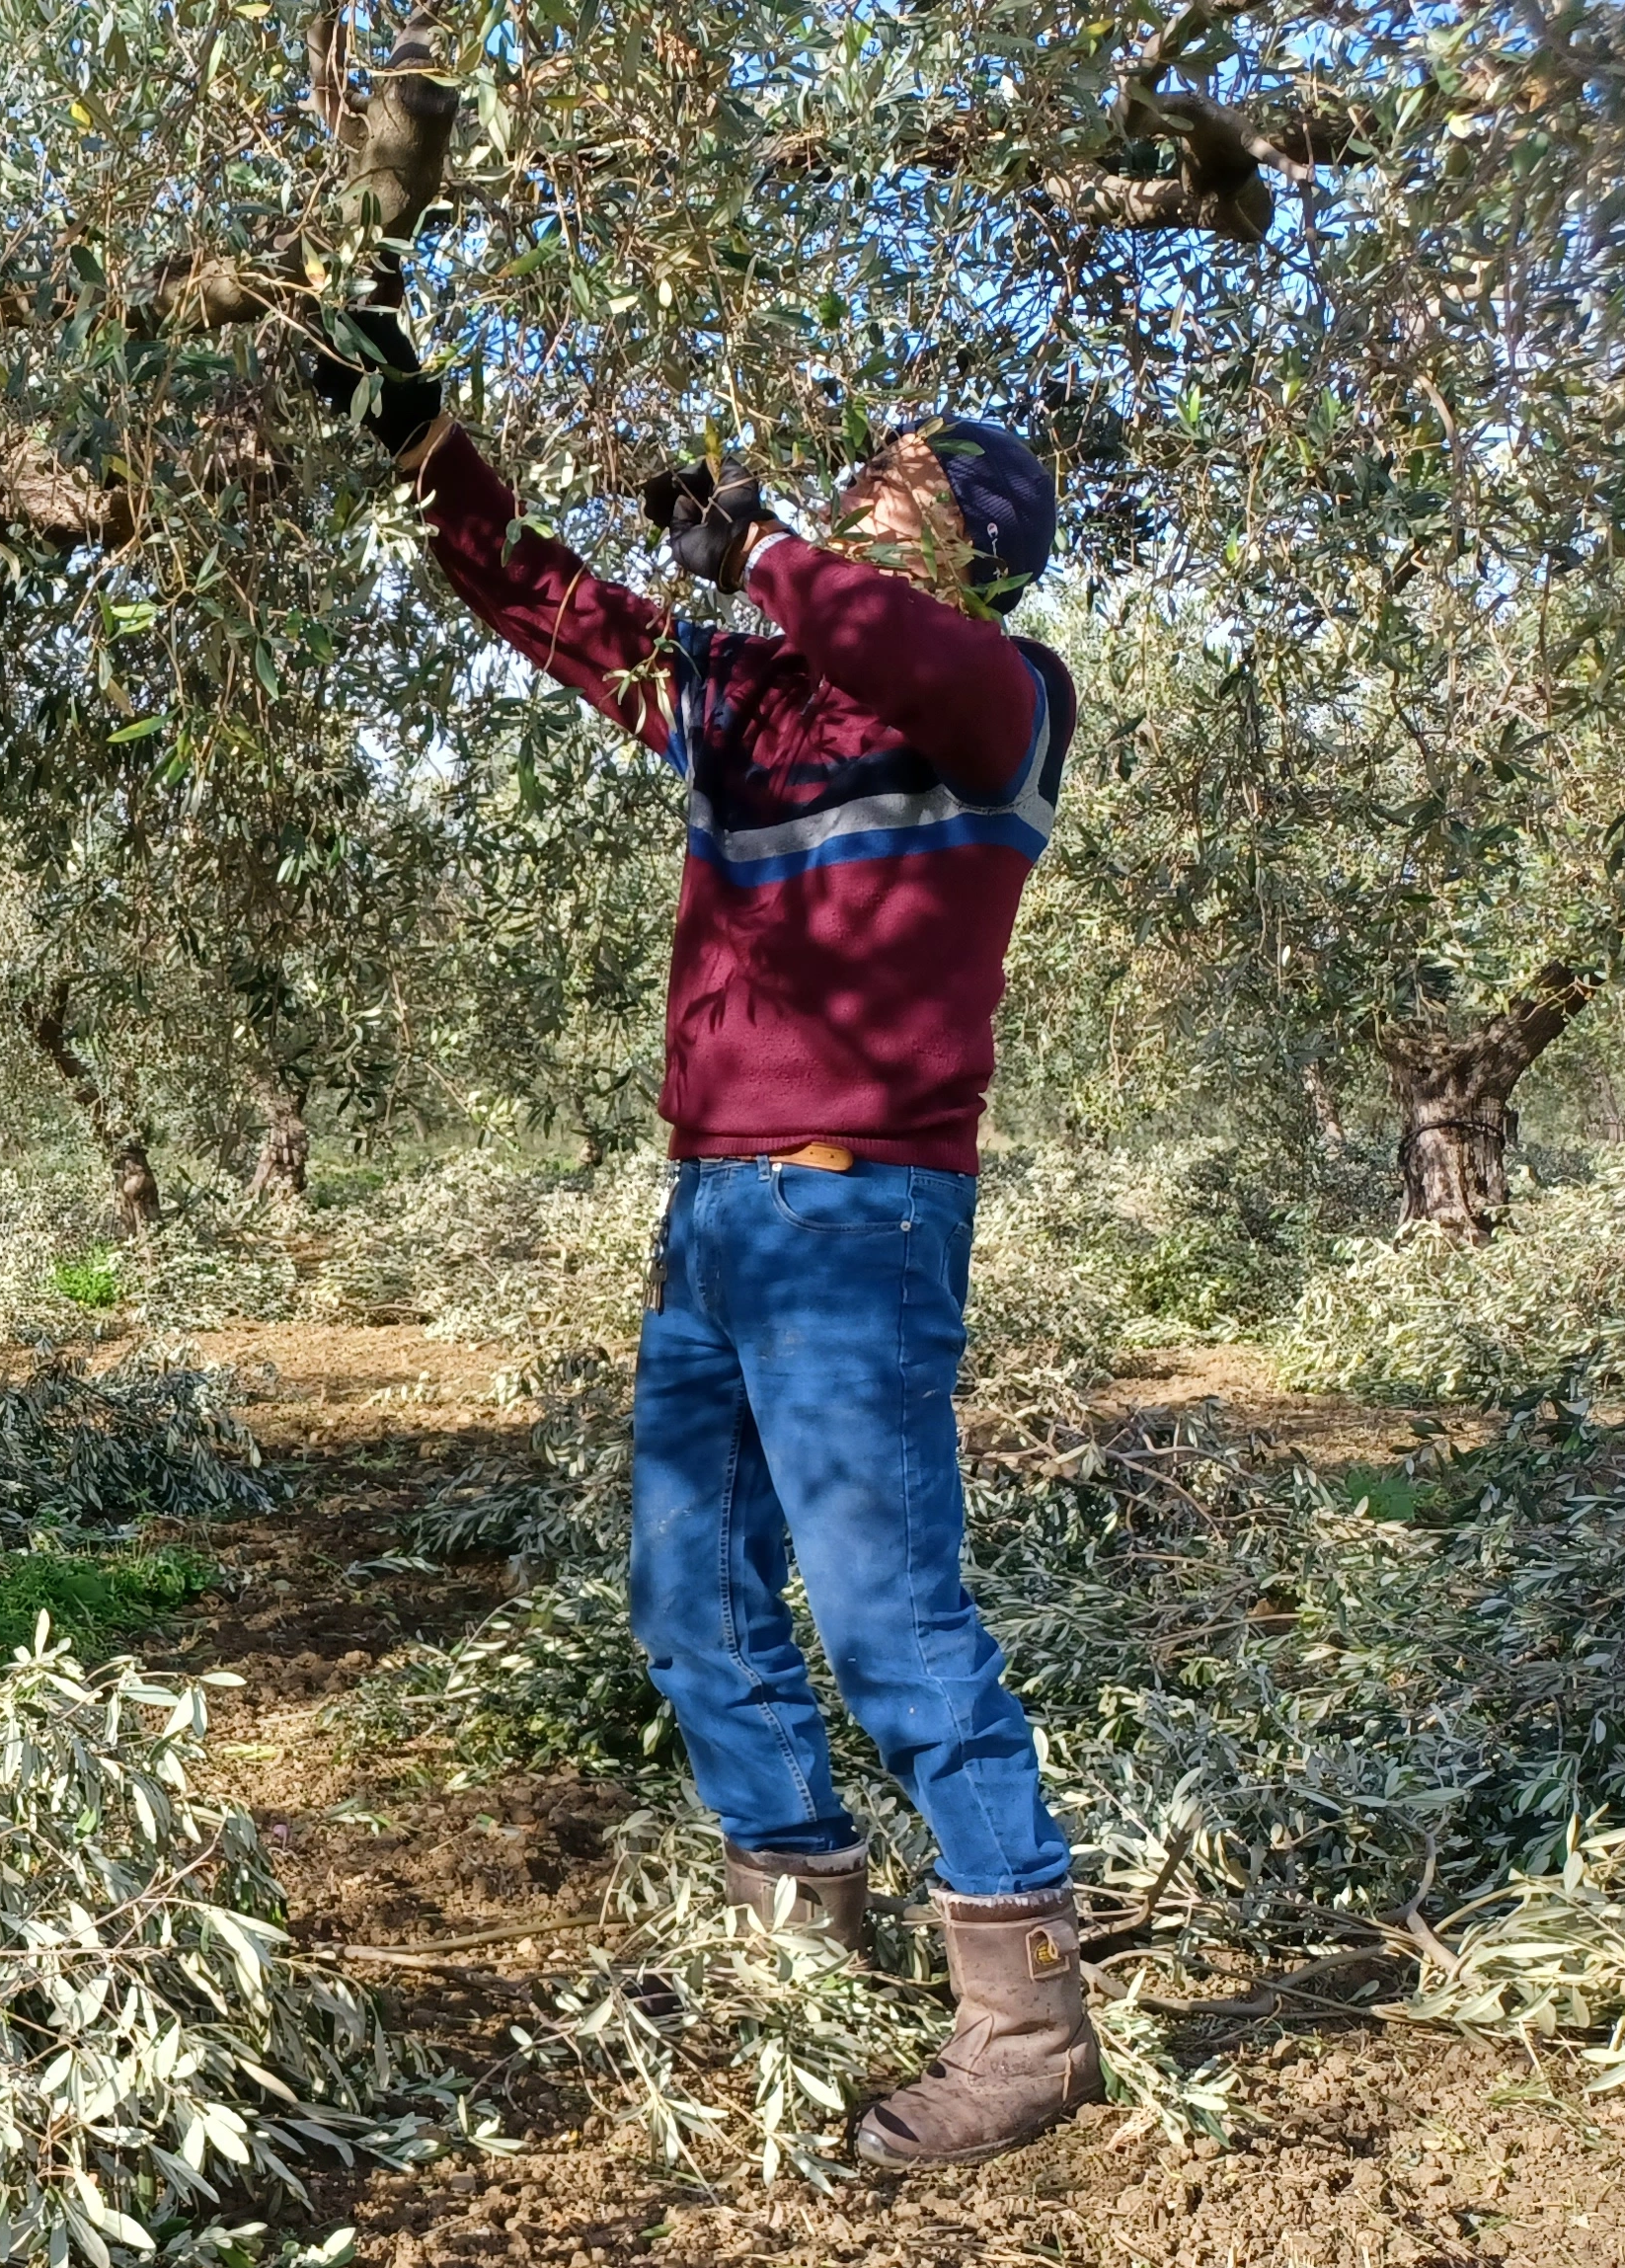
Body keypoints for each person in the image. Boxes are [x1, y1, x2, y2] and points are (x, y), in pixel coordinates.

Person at [343, 320, 1096, 2171]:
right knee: (692, 1602)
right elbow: (542, 602)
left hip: (861, 1214)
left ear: (968, 541)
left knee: (890, 1620)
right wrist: (417, 431)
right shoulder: (749, 700)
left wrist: (765, 548)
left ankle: (1029, 2028)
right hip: (717, 1212)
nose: (862, 485)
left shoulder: (1000, 692)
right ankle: (798, 1938)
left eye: (900, 480)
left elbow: (886, 634)